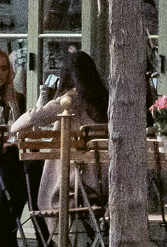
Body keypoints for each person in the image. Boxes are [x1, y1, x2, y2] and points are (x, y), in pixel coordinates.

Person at [7, 48, 108, 219]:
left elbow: (24, 122)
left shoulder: (69, 100)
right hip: (105, 183)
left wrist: (9, 127)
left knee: (28, 173)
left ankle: (47, 241)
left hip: (75, 184)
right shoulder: (104, 100)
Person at [0, 49, 26, 247]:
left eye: (4, 68)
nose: (0, 73)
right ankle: (8, 243)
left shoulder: (16, 99)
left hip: (10, 154)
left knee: (24, 184)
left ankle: (7, 240)